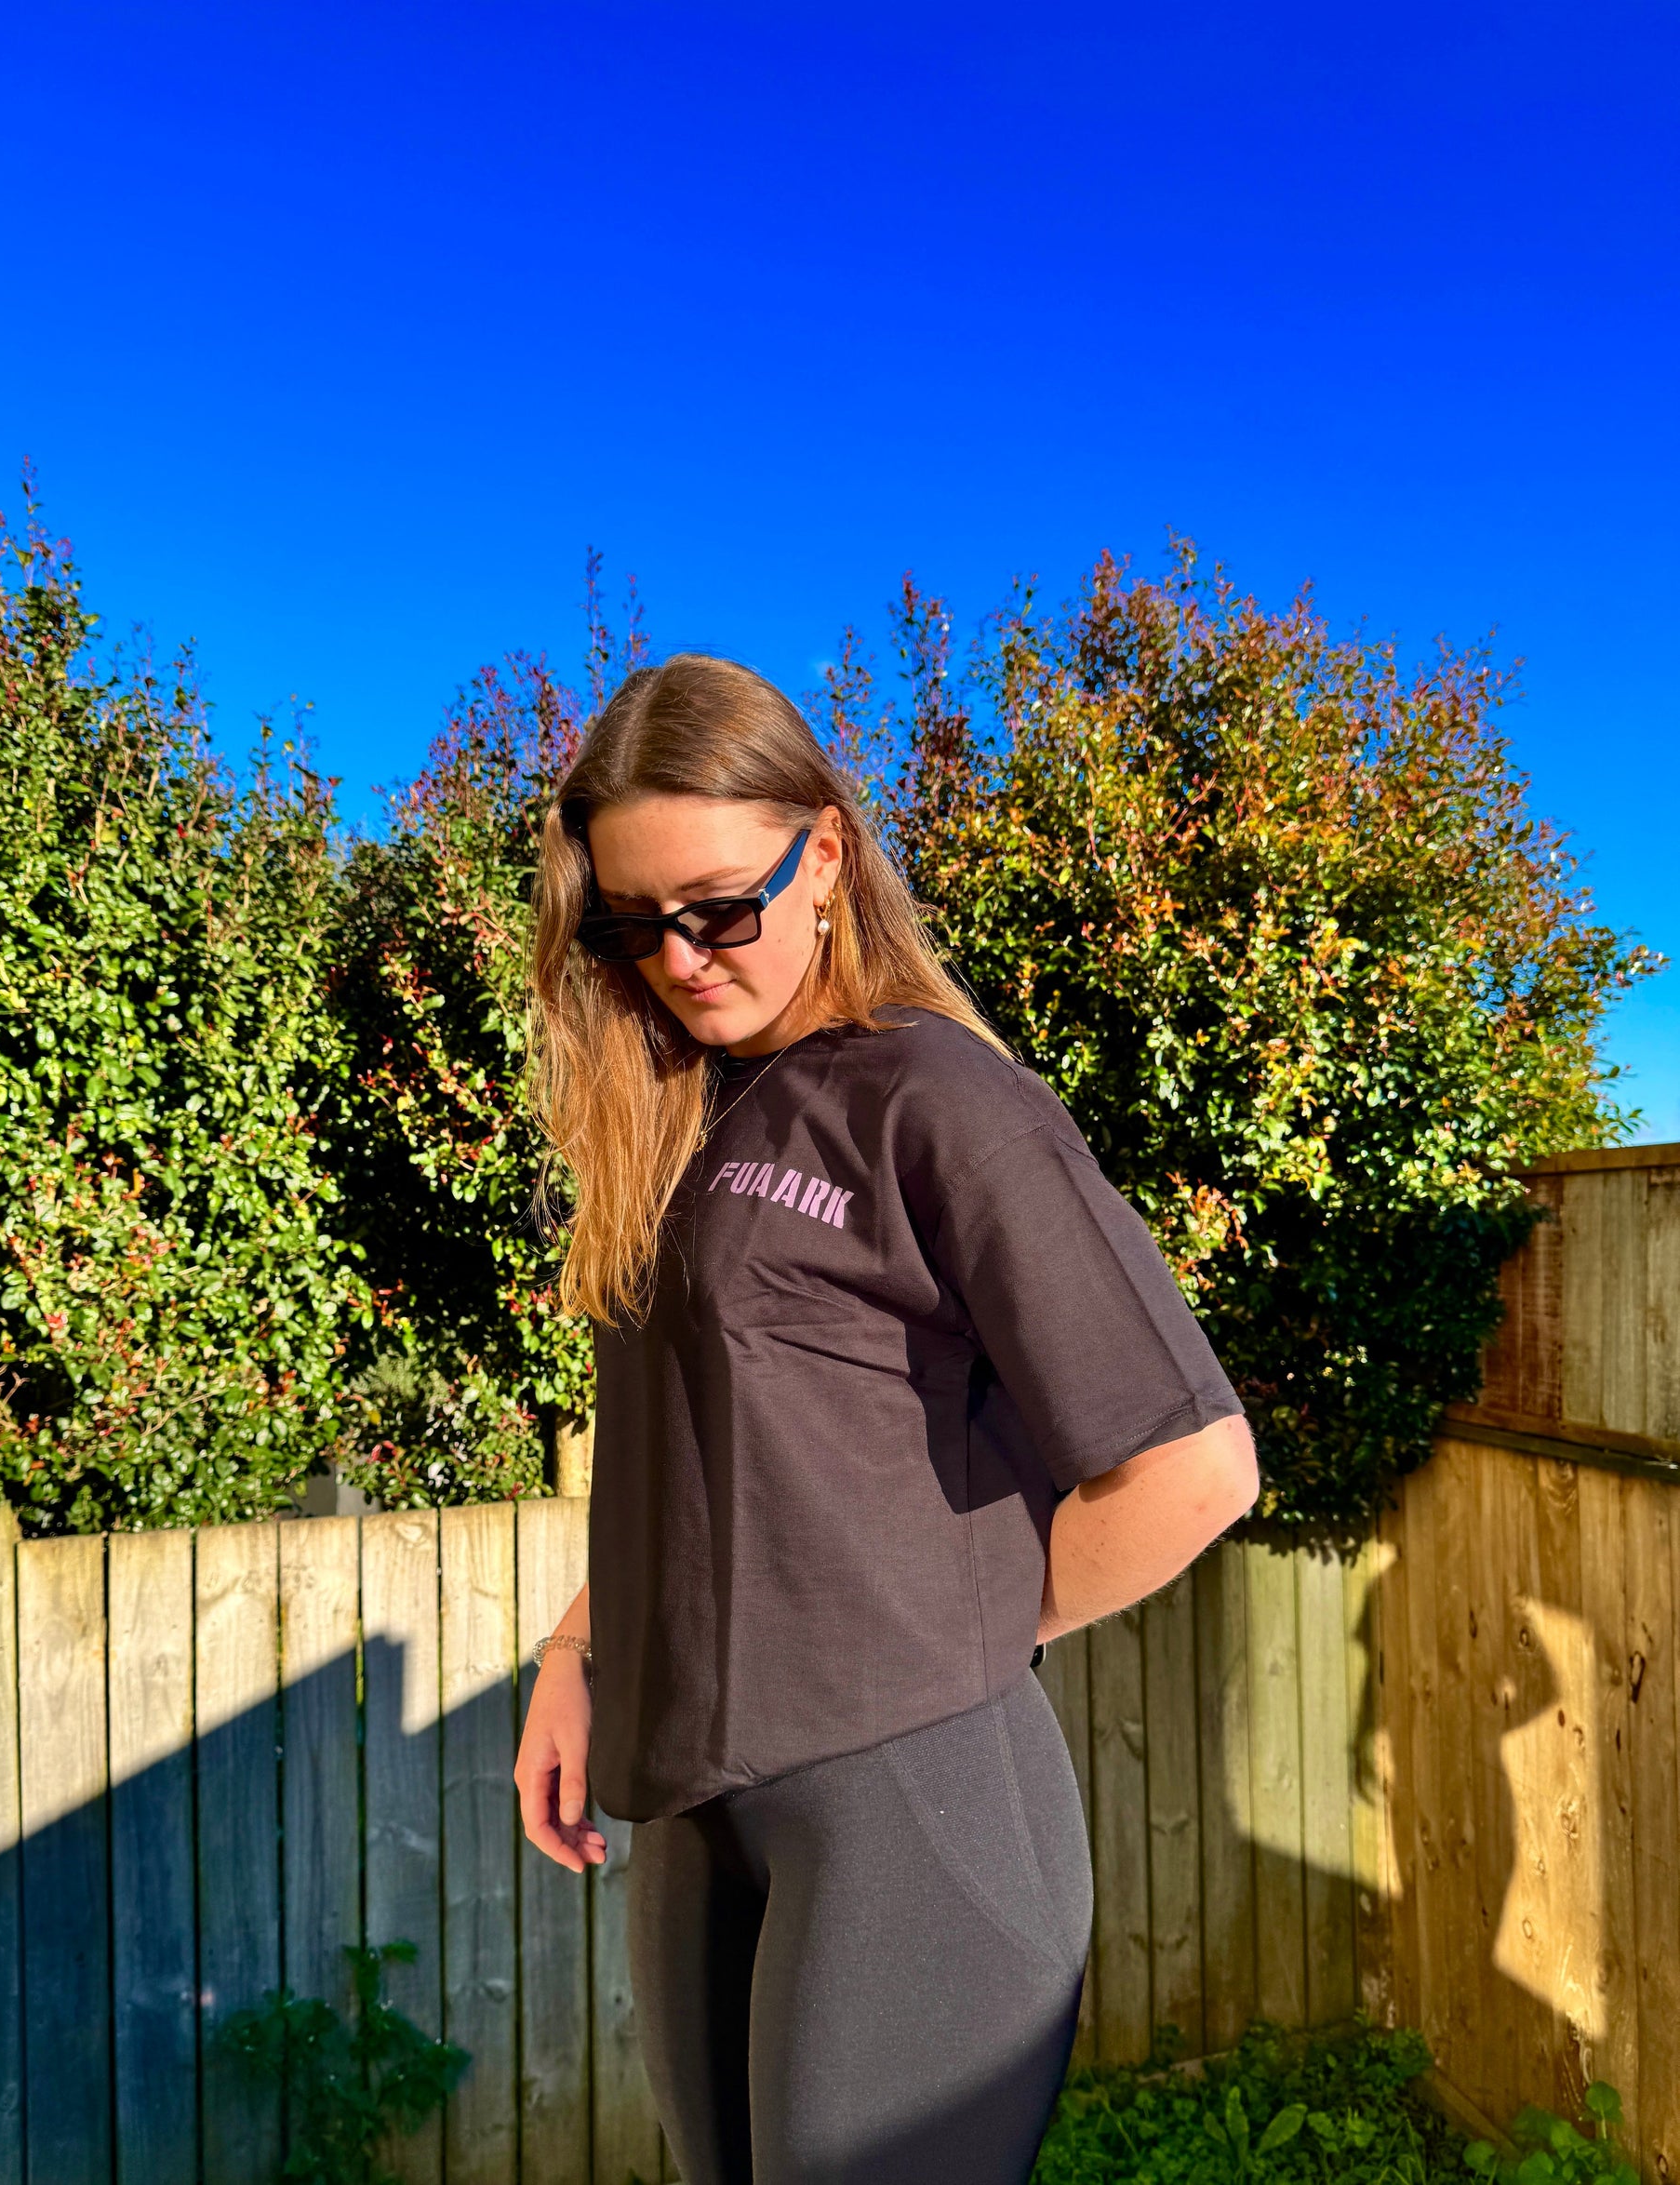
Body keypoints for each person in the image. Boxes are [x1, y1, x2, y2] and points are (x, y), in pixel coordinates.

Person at [513, 655, 1258, 2185]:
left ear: (825, 855)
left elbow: (1193, 1467)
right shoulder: (673, 1108)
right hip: (696, 1802)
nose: (679, 959)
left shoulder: (938, 1102)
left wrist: (930, 1627)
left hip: (911, 1806)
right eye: (631, 922)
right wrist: (576, 1651)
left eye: (719, 907)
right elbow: (717, 1452)